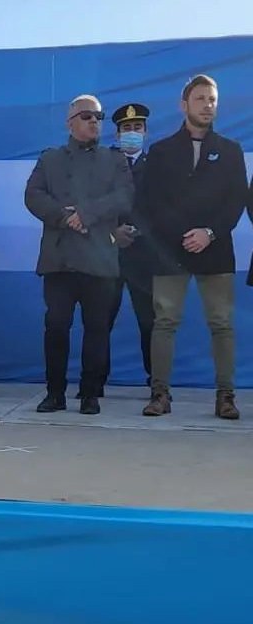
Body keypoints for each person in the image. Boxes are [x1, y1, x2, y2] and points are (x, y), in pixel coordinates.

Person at [139, 75, 248, 419]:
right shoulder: (161, 151)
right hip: (170, 251)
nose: (207, 105)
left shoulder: (230, 150)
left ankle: (226, 397)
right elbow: (150, 202)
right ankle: (160, 395)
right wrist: (182, 234)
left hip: (216, 249)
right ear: (183, 105)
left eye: (212, 99)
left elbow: (236, 201)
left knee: (221, 324)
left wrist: (209, 233)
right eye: (200, 99)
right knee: (165, 322)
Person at [24, 95, 133, 415]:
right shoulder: (50, 159)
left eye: (98, 117)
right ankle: (54, 393)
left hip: (99, 256)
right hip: (60, 259)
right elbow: (33, 195)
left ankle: (89, 394)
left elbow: (124, 196)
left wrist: (85, 213)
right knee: (56, 326)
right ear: (69, 123)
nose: (94, 122)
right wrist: (63, 216)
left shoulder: (114, 160)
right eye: (86, 116)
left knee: (97, 328)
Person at [101, 103, 155, 393]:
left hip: (144, 256)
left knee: (150, 322)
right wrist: (113, 231)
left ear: (145, 132)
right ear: (117, 134)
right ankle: (95, 381)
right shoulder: (104, 163)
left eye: (137, 127)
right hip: (108, 253)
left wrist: (139, 231)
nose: (132, 132)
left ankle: (156, 383)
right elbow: (94, 203)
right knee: (101, 320)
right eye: (126, 128)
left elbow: (164, 206)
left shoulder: (157, 164)